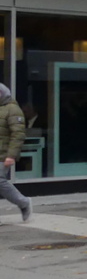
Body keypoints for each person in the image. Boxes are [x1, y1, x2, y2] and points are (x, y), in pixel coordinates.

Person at [0, 83, 32, 223]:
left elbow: (18, 134)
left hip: (3, 154)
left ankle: (23, 202)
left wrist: (11, 155)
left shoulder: (12, 109)